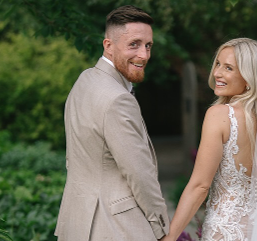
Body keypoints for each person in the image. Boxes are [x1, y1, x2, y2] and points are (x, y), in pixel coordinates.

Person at [161, 38, 257, 241]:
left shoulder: (219, 115)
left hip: (226, 231)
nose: (217, 73)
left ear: (248, 77)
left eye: (228, 68)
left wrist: (170, 236)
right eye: (217, 64)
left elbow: (200, 185)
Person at [55, 5, 169, 241]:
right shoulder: (118, 99)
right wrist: (162, 230)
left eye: (148, 46)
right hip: (116, 228)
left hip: (78, 223)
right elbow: (139, 174)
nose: (144, 55)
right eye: (134, 44)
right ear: (108, 45)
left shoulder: (84, 80)